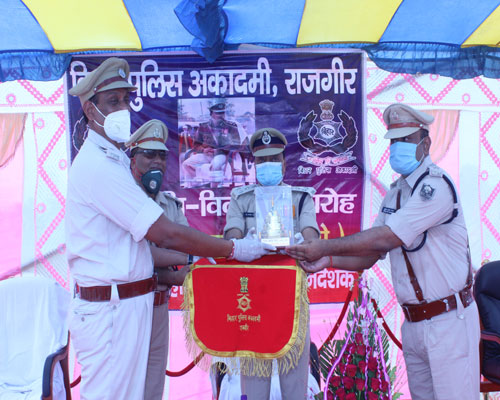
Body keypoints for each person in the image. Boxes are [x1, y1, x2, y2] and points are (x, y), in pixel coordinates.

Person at [66, 57, 275, 400]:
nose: (123, 109)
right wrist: (233, 249)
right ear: (90, 110)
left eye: (126, 100)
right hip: (111, 311)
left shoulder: (113, 159)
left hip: (127, 304)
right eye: (113, 101)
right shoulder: (97, 166)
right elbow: (165, 234)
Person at [286, 104, 480, 400]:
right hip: (413, 323)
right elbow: (371, 254)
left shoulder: (435, 187)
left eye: (407, 140)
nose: (398, 147)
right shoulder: (396, 193)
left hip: (448, 320)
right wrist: (328, 260)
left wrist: (323, 245)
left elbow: (386, 238)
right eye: (394, 141)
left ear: (426, 143)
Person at [224, 128, 320, 400]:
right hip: (252, 299)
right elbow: (231, 237)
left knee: (294, 384)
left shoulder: (301, 197)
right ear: (254, 165)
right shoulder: (241, 198)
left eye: (274, 159)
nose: (268, 165)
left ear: (284, 164)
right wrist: (244, 242)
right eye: (262, 160)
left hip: (292, 298)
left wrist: (304, 242)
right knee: (255, 384)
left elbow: (312, 236)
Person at [127, 119, 203, 400]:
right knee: (126, 385)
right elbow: (137, 259)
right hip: (128, 307)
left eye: (162, 156)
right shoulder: (123, 200)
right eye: (149, 155)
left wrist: (196, 264)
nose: (157, 162)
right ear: (133, 160)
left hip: (159, 304)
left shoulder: (170, 205)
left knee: (153, 384)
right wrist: (183, 260)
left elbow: (186, 244)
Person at [182, 98, 242, 187]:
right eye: (217, 113)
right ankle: (195, 185)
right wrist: (203, 150)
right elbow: (196, 145)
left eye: (222, 113)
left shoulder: (231, 127)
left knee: (216, 164)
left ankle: (213, 188)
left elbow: (236, 144)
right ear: (211, 114)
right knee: (186, 164)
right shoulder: (203, 127)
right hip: (206, 155)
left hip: (223, 155)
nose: (220, 115)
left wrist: (219, 150)